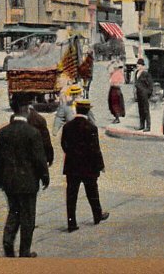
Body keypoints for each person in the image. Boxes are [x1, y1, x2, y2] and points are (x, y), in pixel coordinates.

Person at [0, 101, 50, 257]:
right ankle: (24, 251)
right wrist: (45, 177)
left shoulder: (3, 132)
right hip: (28, 182)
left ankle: (8, 240)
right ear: (25, 109)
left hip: (9, 182)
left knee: (14, 211)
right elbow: (39, 159)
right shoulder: (32, 133)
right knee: (28, 216)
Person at [61, 99, 109, 232]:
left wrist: (72, 155)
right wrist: (100, 165)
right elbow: (95, 149)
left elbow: (64, 145)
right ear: (88, 111)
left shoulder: (67, 126)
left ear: (76, 110)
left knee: (71, 195)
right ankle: (97, 215)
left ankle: (71, 222)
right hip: (88, 167)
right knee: (92, 192)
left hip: (72, 166)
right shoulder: (91, 127)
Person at [134, 58, 153, 132]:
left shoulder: (146, 74)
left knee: (146, 110)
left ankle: (148, 126)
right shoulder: (136, 73)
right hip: (139, 94)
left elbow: (150, 85)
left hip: (144, 94)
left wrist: (148, 93)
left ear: (142, 66)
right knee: (140, 110)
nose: (137, 66)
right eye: (137, 65)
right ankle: (142, 125)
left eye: (139, 65)